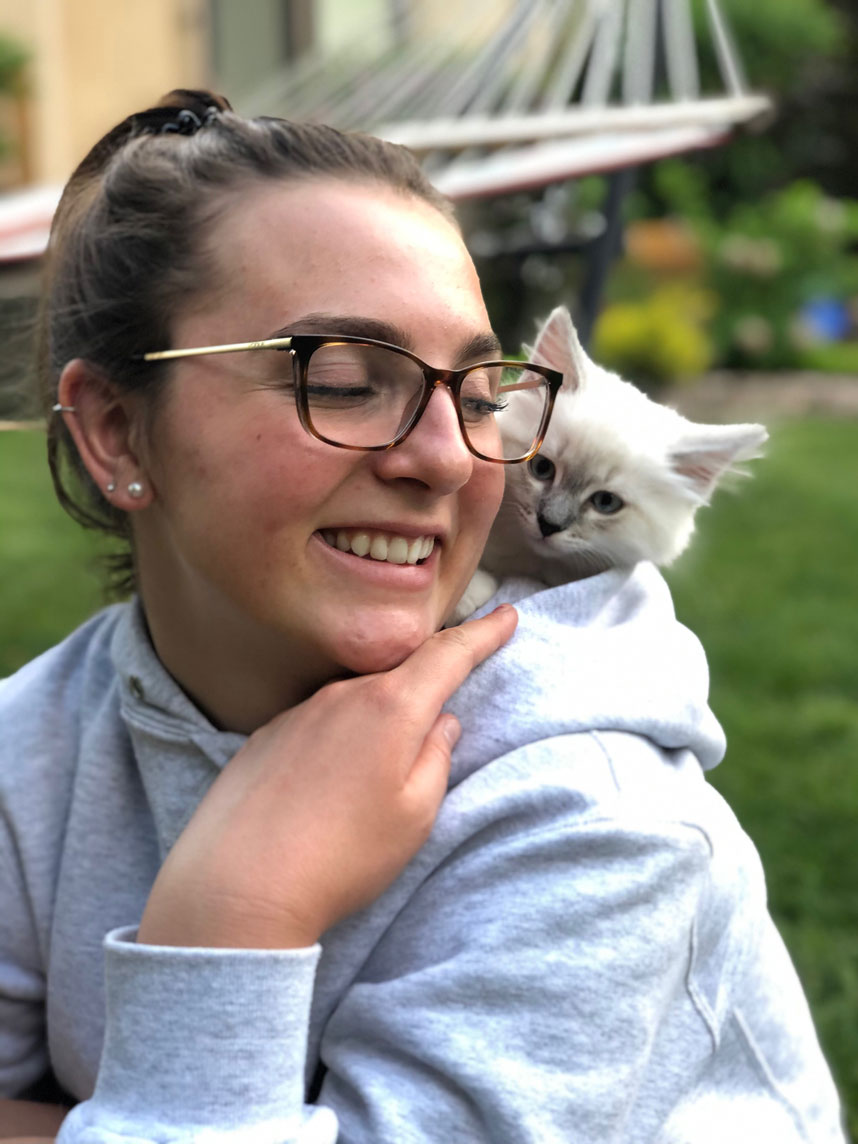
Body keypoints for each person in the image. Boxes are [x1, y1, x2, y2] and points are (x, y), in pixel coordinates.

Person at [0, 90, 845, 1144]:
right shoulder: (33, 744)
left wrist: (234, 918)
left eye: (479, 395)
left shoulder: (598, 823)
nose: (450, 455)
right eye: (345, 380)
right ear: (118, 431)